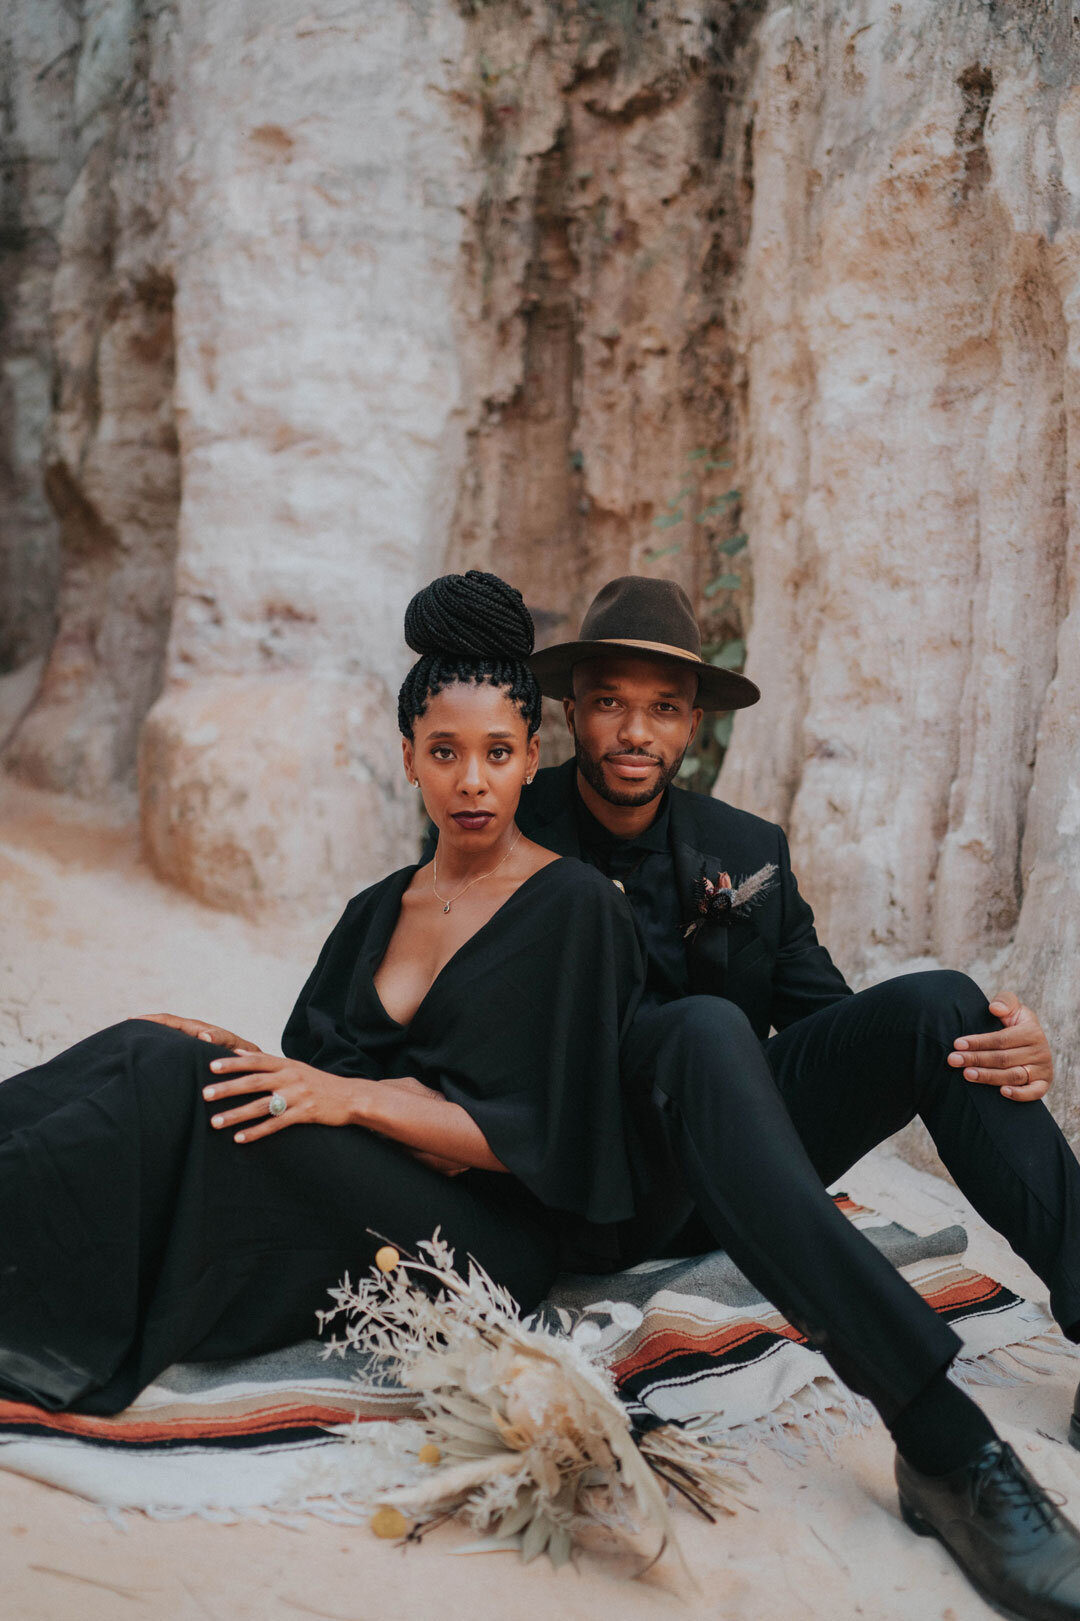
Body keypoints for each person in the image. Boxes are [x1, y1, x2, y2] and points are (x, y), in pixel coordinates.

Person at [513, 574, 1080, 1620]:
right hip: (594, 1179)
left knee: (943, 1008)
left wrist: (998, 1044)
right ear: (573, 707)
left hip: (740, 1166)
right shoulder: (503, 827)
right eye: (610, 701)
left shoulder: (748, 850)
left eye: (664, 706)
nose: (635, 729)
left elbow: (836, 1028)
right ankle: (949, 1452)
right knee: (707, 1026)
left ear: (693, 720)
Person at [0, 571, 647, 1417]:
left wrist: (365, 1102)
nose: (472, 780)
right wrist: (239, 1055)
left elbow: (543, 1140)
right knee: (153, 1045)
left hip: (477, 1247)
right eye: (444, 751)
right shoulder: (377, 908)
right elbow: (308, 1092)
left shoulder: (576, 905)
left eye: (497, 752)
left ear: (533, 756)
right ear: (408, 754)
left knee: (169, 1077)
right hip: (359, 1185)